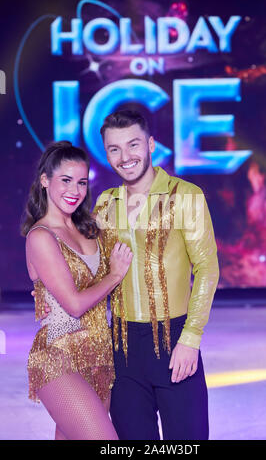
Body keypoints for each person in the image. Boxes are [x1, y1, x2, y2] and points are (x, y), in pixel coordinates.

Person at [92, 109, 220, 440]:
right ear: (106, 153)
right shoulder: (105, 204)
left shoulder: (186, 196)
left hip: (174, 340)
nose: (125, 157)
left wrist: (190, 338)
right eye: (114, 149)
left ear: (150, 145)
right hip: (121, 350)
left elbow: (207, 267)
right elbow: (94, 268)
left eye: (133, 145)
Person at [21, 141, 133, 440]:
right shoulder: (41, 236)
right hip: (58, 357)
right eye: (66, 180)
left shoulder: (89, 228)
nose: (75, 190)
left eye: (82, 182)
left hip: (99, 357)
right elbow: (73, 304)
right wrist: (114, 276)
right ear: (45, 181)